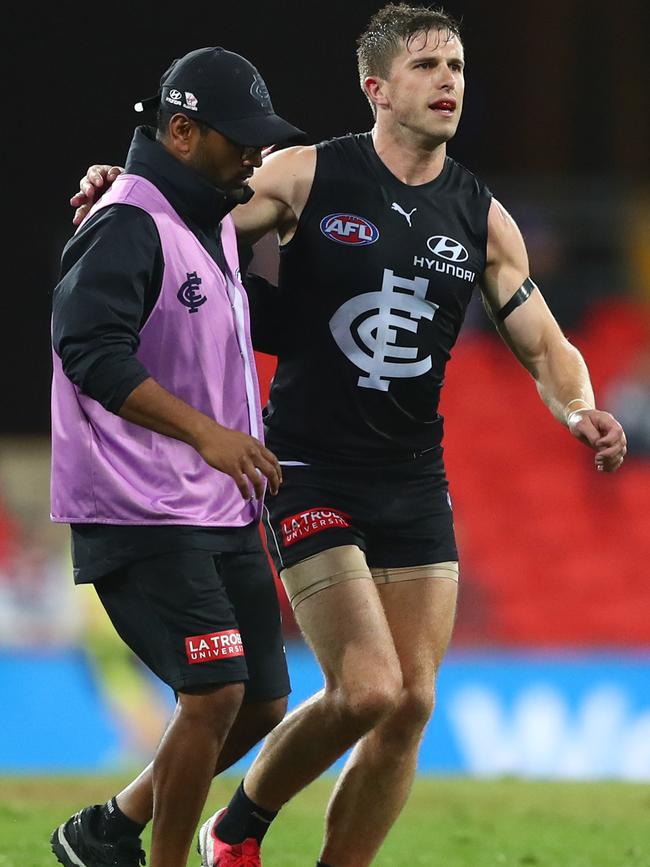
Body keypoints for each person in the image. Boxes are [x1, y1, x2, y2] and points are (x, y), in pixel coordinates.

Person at [71, 5, 628, 867]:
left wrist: (576, 406)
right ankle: (240, 825)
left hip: (412, 477)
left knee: (410, 705)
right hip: (307, 467)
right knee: (366, 687)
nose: (450, 81)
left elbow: (543, 339)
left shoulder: (481, 215)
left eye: (459, 65)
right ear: (376, 88)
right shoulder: (304, 175)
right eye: (428, 66)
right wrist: (123, 179)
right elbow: (183, 216)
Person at [49, 46, 304, 867]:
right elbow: (89, 350)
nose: (255, 154)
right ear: (184, 131)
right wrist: (208, 432)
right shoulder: (127, 222)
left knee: (263, 701)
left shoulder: (208, 221)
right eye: (242, 139)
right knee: (216, 690)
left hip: (216, 506)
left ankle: (110, 830)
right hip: (140, 507)